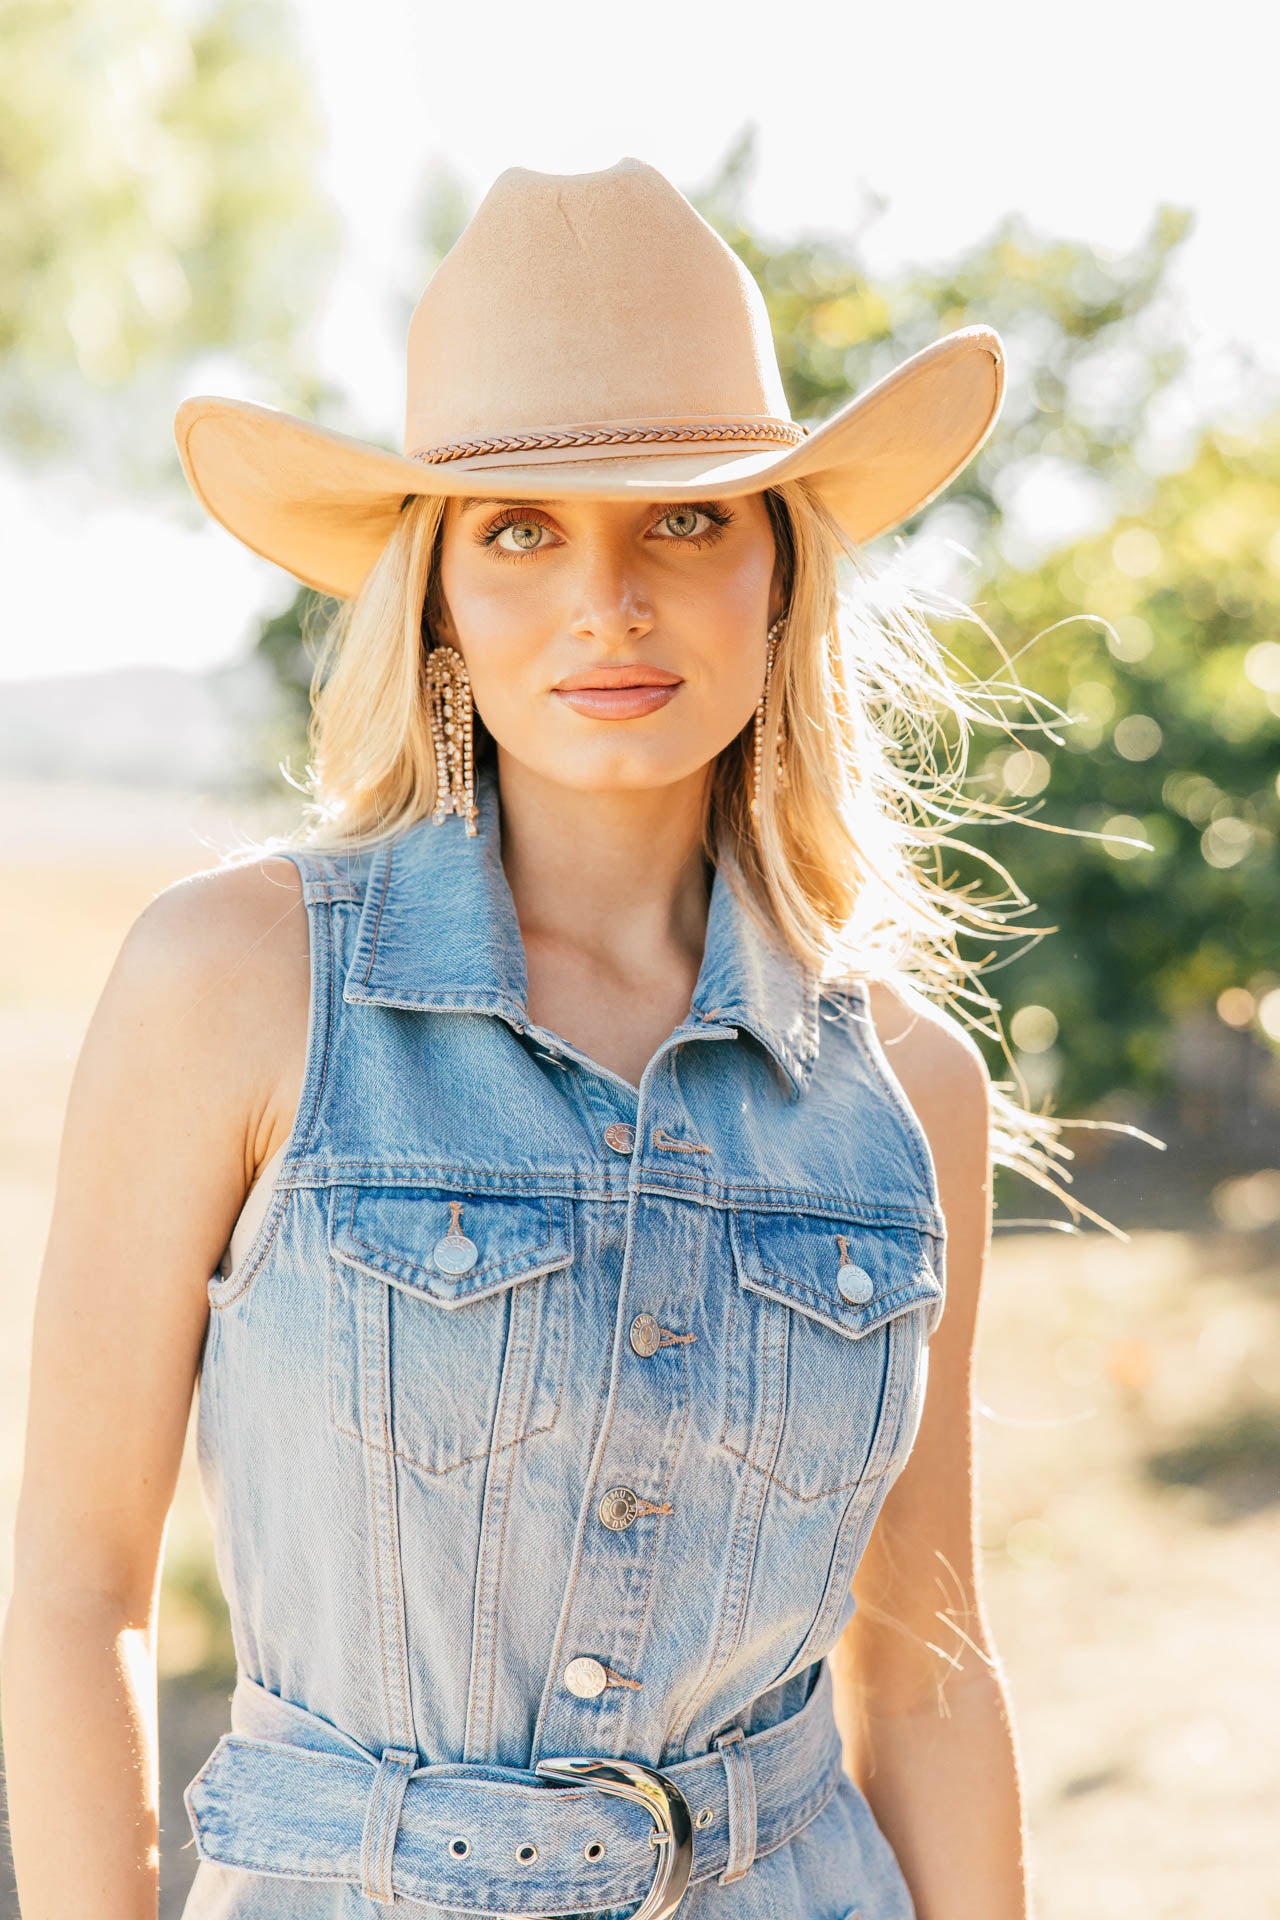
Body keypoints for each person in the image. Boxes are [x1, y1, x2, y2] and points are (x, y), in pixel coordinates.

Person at [3, 158, 1037, 1918]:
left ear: (779, 574)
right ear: (439, 605)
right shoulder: (238, 982)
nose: (607, 600)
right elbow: (74, 1585)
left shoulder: (910, 1085)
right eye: (522, 530)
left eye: (689, 519)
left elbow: (922, 1667)